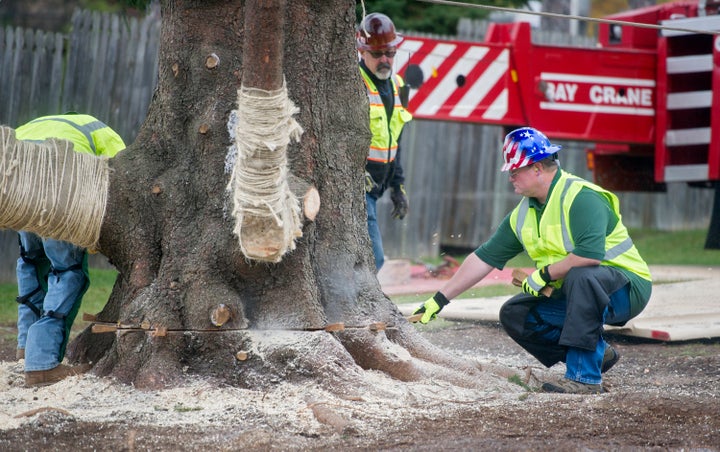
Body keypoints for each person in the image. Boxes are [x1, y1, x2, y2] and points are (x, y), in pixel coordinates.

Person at [413, 127, 652, 394]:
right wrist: (439, 299)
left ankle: (584, 379)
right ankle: (597, 354)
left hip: (627, 288)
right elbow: (484, 258)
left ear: (537, 168)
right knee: (516, 314)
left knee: (581, 276)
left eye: (515, 171)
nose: (511, 177)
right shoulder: (523, 213)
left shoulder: (582, 197)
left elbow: (589, 255)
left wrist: (544, 274)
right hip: (581, 290)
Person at [14, 113, 125, 387]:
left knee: (31, 261)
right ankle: (42, 365)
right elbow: (122, 179)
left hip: (17, 191)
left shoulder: (32, 124)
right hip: (57, 194)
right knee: (68, 272)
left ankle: (25, 348)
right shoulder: (101, 131)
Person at [356, 12, 413, 270]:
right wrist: (355, 176)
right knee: (374, 259)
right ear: (362, 52)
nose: (385, 60)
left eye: (390, 53)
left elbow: (395, 141)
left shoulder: (398, 86)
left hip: (379, 185)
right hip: (357, 190)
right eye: (377, 54)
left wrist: (397, 186)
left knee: (366, 260)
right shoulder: (354, 85)